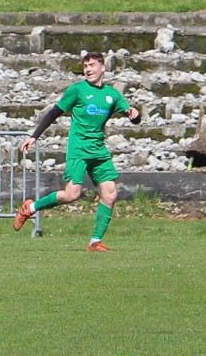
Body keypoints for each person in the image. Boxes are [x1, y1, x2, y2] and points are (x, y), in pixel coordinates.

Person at [13, 51, 141, 251]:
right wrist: (34, 136)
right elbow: (54, 113)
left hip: (98, 150)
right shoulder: (78, 90)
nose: (88, 70)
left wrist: (135, 115)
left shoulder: (112, 95)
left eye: (92, 66)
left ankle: (95, 242)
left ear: (102, 68)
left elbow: (133, 116)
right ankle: (30, 208)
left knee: (110, 194)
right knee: (72, 194)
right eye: (85, 67)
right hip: (79, 149)